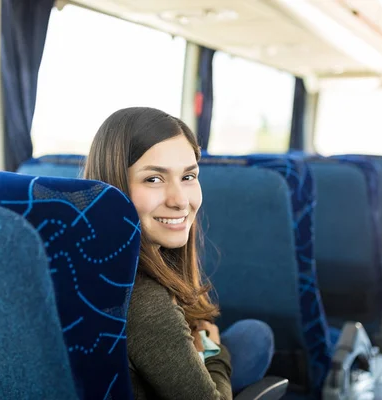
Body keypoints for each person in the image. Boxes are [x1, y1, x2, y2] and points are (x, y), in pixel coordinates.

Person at [84, 107, 274, 399]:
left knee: (251, 334)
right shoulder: (141, 298)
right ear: (114, 186)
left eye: (188, 177)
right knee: (253, 339)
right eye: (154, 179)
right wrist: (212, 354)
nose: (180, 200)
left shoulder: (80, 259)